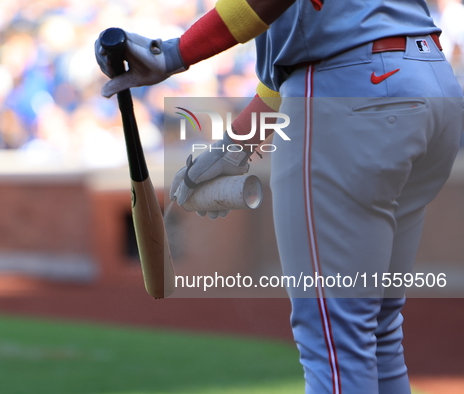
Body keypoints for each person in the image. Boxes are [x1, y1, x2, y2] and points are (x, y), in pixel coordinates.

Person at [95, 1, 464, 393]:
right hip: (430, 83)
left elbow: (300, 36)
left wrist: (172, 53)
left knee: (336, 341)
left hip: (351, 92)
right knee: (377, 333)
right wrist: (236, 145)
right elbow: (292, 60)